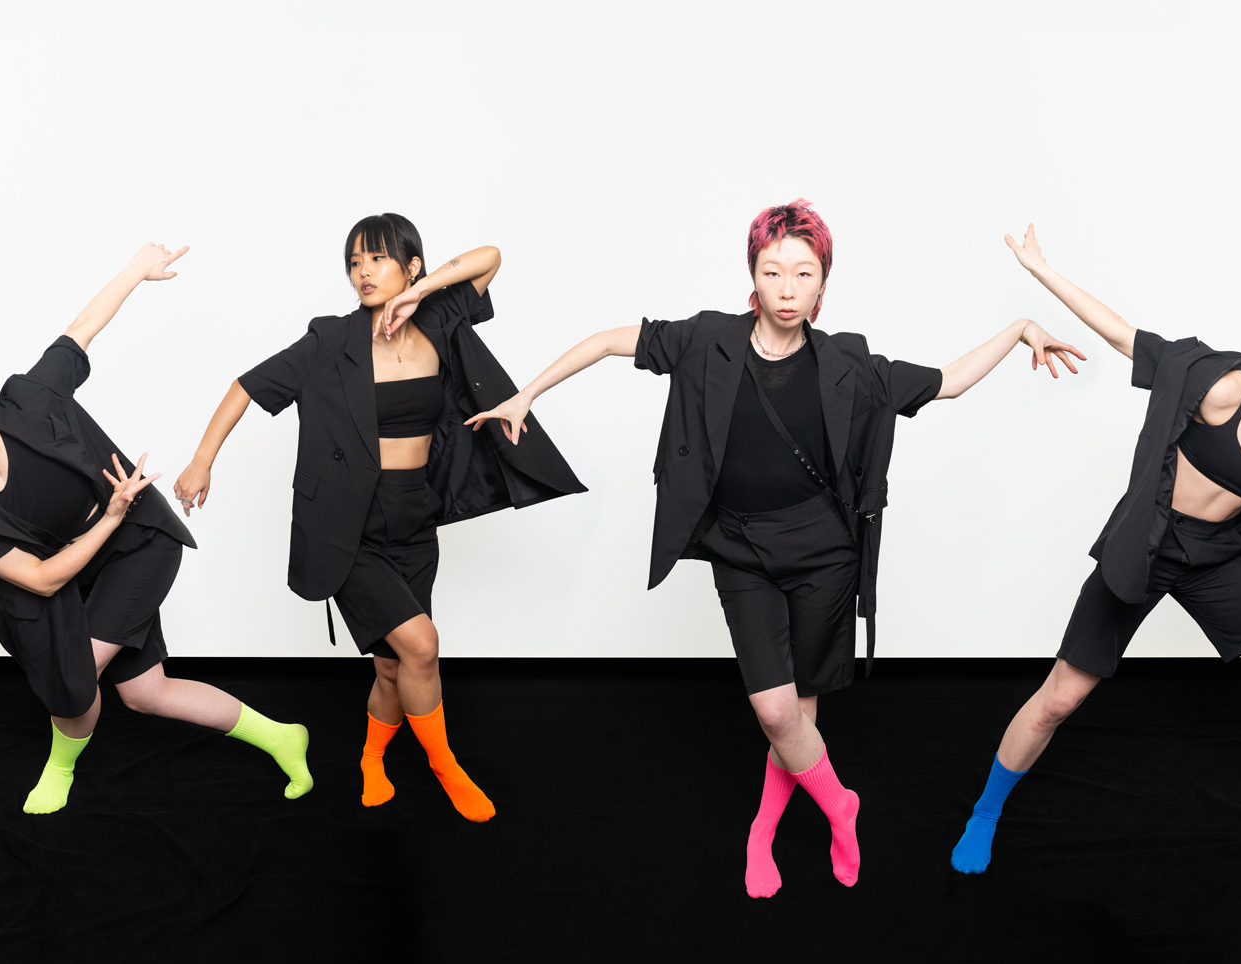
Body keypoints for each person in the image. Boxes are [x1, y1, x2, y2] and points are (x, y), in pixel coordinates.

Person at [465, 199, 1086, 895]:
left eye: (803, 273)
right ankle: (838, 804)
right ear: (752, 278)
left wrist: (1022, 327)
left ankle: (763, 829)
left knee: (801, 711)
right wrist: (525, 396)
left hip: (824, 555)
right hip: (740, 551)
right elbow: (610, 340)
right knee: (775, 710)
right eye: (773, 272)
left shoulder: (848, 363)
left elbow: (947, 383)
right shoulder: (705, 342)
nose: (787, 289)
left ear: (824, 284)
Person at [950, 225, 1241, 877]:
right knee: (1059, 699)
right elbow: (1123, 334)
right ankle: (985, 811)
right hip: (1151, 543)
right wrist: (1041, 268)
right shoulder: (1219, 381)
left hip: (1219, 558)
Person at [173, 214, 586, 821]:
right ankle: (447, 767)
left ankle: (371, 758)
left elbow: (491, 254)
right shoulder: (330, 340)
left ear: (411, 267)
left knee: (393, 666)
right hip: (351, 527)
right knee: (422, 646)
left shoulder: (441, 321)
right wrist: (201, 461)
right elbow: (245, 386)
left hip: (416, 517)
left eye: (377, 259)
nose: (362, 272)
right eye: (354, 262)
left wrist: (421, 295)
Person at [0, 243, 312, 814]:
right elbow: (42, 580)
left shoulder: (30, 400)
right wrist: (106, 518)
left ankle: (59, 765)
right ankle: (282, 735)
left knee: (73, 676)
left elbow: (78, 332)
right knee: (146, 693)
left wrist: (135, 271)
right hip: (77, 563)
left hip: (138, 543)